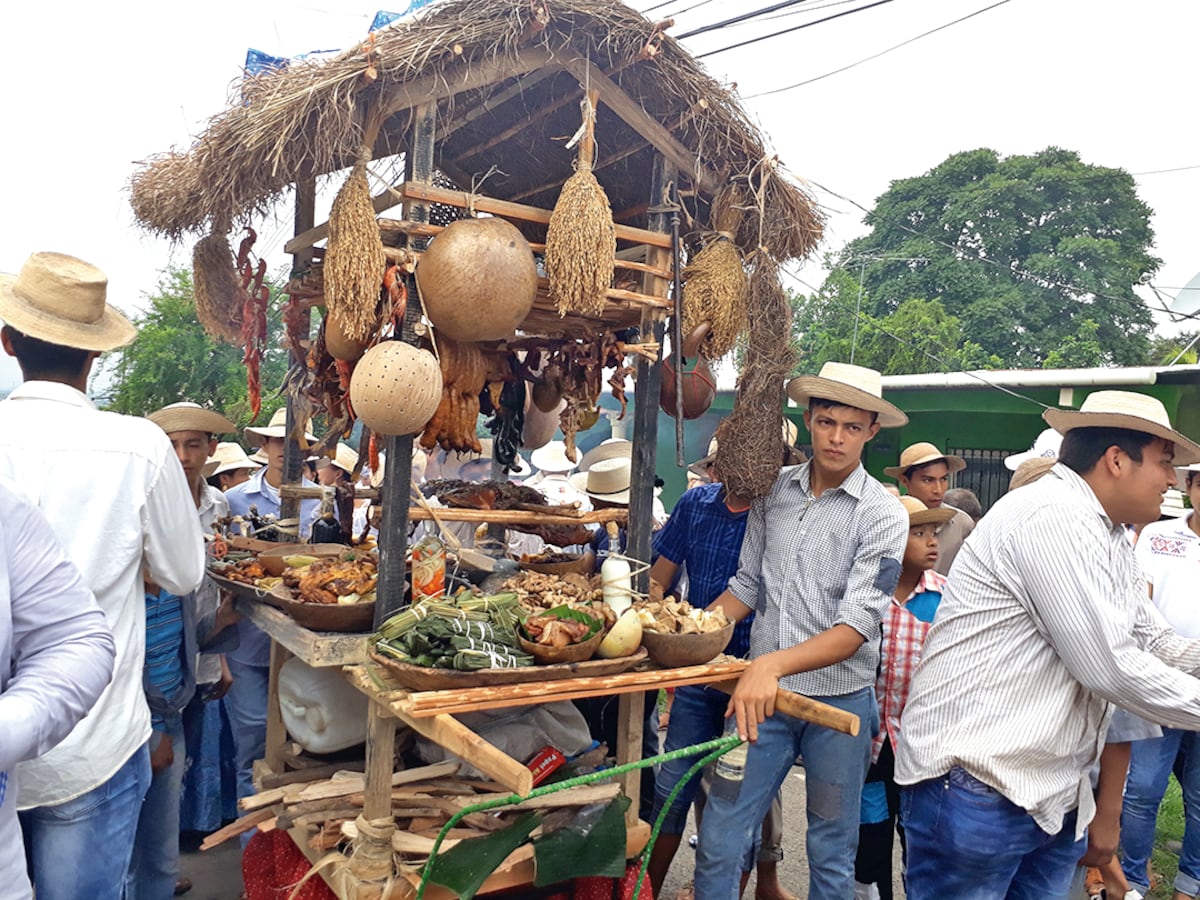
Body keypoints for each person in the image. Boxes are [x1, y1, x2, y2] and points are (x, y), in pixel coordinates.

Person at [895, 390, 1200, 899]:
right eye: (1166, 464)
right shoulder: (1051, 517)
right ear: (1117, 460)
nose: (1173, 481)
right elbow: (1111, 668)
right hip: (981, 787)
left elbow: (1154, 640)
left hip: (1048, 790)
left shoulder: (1108, 536)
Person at [0, 251, 205, 899]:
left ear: (6, 342)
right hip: (92, 742)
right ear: (96, 357)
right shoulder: (138, 446)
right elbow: (183, 570)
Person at [694, 361, 910, 899]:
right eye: (827, 422)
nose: (837, 438)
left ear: (872, 431)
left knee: (831, 854)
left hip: (837, 710)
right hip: (760, 706)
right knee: (720, 836)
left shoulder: (884, 516)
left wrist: (767, 665)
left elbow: (857, 626)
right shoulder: (774, 492)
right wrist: (693, 632)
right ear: (809, 418)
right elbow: (747, 584)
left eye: (853, 427)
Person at [646, 430, 804, 900]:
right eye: (735, 454)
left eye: (762, 456)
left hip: (753, 674)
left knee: (737, 796)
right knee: (673, 783)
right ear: (719, 461)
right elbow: (658, 578)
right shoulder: (696, 506)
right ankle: (647, 891)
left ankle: (721, 891)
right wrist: (658, 623)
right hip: (699, 669)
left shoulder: (781, 512)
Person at [129, 403, 241, 900]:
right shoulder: (144, 509)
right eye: (172, 446)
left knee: (181, 761)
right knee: (150, 774)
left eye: (193, 444)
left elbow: (211, 587)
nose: (183, 456)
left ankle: (161, 864)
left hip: (197, 646)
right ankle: (146, 873)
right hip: (156, 668)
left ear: (209, 450)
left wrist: (220, 653)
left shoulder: (218, 506)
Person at [0, 479, 116, 900]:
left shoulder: (6, 508)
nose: (185, 455)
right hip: (91, 741)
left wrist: (13, 725)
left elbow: (70, 636)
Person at [854, 496, 954, 900]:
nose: (932, 542)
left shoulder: (946, 597)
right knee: (871, 835)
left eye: (934, 533)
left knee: (921, 841)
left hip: (922, 748)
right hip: (873, 747)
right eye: (918, 533)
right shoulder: (868, 597)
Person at [224, 407, 319, 811]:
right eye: (280, 441)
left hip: (303, 647)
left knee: (302, 744)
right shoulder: (234, 500)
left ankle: (282, 837)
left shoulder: (322, 503)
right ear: (265, 446)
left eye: (296, 442)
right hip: (248, 643)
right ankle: (251, 836)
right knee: (251, 739)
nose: (288, 450)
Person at [1119, 462, 1200, 900]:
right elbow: (1139, 603)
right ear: (1189, 487)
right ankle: (1132, 880)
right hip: (1159, 685)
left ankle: (1191, 884)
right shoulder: (1156, 536)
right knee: (1143, 790)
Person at [884, 442, 974, 575]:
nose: (938, 489)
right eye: (928, 480)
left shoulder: (962, 524)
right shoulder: (888, 522)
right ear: (905, 481)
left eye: (943, 479)